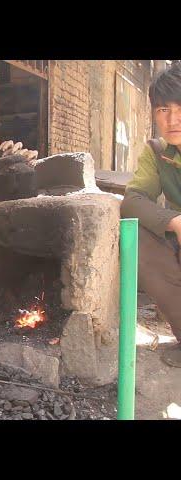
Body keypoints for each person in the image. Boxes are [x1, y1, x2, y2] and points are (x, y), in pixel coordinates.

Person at [121, 62, 181, 367]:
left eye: (180, 107)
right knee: (138, 235)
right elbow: (132, 200)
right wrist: (174, 222)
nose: (172, 119)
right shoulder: (158, 152)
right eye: (162, 109)